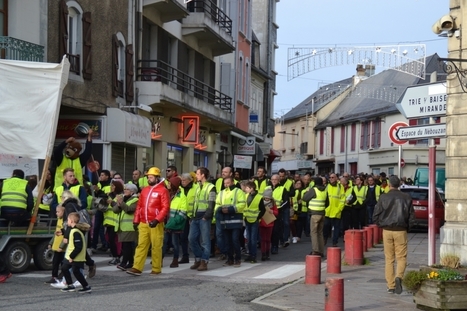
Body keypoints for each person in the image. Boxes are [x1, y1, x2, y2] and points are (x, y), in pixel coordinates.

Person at [373, 175, 414, 295]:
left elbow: (375, 216)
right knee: (401, 257)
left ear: (389, 184)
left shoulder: (383, 197)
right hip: (401, 230)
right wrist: (407, 228)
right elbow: (412, 217)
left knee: (389, 258)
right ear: (399, 185)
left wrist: (382, 224)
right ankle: (399, 277)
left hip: (387, 230)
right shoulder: (406, 197)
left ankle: (390, 286)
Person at [127, 167, 170, 276]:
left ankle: (156, 268)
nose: (148, 179)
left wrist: (157, 220)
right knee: (141, 245)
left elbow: (165, 207)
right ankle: (137, 267)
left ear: (157, 178)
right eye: (148, 177)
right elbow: (139, 206)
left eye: (151, 177)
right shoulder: (145, 190)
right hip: (144, 222)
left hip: (155, 224)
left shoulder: (163, 190)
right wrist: (136, 220)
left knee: (156, 246)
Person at [189, 167, 216, 271]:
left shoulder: (211, 187)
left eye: (197, 174)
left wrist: (207, 216)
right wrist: (192, 215)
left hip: (204, 217)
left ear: (203, 175)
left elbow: (211, 202)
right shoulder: (197, 186)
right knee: (191, 239)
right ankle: (199, 258)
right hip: (195, 217)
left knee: (205, 241)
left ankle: (204, 261)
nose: (196, 175)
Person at [216, 176, 246, 267]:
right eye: (225, 183)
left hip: (235, 219)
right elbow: (217, 204)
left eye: (228, 183)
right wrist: (220, 209)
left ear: (232, 182)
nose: (226, 185)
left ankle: (238, 259)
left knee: (234, 240)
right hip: (225, 220)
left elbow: (242, 204)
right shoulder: (221, 193)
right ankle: (230, 259)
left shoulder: (238, 191)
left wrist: (231, 209)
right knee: (227, 241)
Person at [59, 212, 92, 293]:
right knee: (64, 268)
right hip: (71, 256)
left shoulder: (76, 232)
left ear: (72, 221)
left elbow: (79, 246)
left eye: (68, 220)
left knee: (76, 271)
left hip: (76, 257)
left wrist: (72, 256)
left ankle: (86, 286)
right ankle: (70, 285)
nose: (67, 221)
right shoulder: (73, 230)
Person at [113, 183, 139, 271]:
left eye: (127, 189)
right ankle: (131, 262)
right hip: (122, 226)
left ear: (132, 191)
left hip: (130, 226)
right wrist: (119, 204)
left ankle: (124, 263)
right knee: (126, 245)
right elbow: (115, 210)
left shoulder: (135, 199)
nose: (124, 191)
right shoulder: (123, 198)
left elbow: (129, 210)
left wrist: (121, 203)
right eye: (124, 189)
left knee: (126, 246)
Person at [163, 176, 186, 268]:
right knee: (163, 242)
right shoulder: (166, 194)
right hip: (165, 222)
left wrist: (173, 222)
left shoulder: (181, 196)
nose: (168, 185)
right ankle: (159, 259)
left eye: (170, 183)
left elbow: (183, 212)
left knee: (175, 243)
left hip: (174, 224)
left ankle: (175, 260)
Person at [303, 177, 329, 257]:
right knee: (320, 233)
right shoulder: (325, 190)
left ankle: (315, 250)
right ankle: (321, 251)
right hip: (322, 214)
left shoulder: (314, 190)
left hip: (314, 214)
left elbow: (305, 198)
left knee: (313, 233)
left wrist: (306, 192)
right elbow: (327, 203)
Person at [243, 181, 265, 263]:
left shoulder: (259, 197)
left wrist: (258, 218)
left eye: (247, 188)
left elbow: (263, 209)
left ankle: (253, 256)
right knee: (249, 239)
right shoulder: (246, 196)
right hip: (247, 219)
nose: (245, 189)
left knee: (253, 239)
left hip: (254, 221)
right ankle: (250, 255)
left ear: (252, 188)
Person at [179, 173, 198, 264]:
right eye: (181, 180)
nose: (182, 182)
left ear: (190, 180)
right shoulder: (180, 189)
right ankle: (185, 256)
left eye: (184, 180)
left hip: (193, 217)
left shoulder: (196, 188)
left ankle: (197, 257)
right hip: (183, 216)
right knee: (183, 238)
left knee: (193, 238)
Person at [45, 205, 66, 284]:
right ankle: (54, 277)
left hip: (62, 247)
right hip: (57, 246)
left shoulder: (64, 222)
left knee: (63, 263)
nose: (56, 213)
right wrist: (51, 242)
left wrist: (61, 246)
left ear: (63, 212)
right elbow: (56, 233)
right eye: (56, 211)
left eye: (58, 212)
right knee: (55, 262)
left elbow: (65, 236)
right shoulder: (59, 220)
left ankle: (64, 277)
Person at [323, 173, 345, 247]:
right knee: (326, 226)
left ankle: (334, 242)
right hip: (328, 211)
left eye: (333, 177)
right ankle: (324, 238)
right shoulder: (327, 186)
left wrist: (339, 209)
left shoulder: (340, 186)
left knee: (336, 228)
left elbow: (342, 199)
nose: (331, 178)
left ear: (336, 178)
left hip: (336, 211)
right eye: (330, 177)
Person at [259, 188, 278, 261]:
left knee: (268, 239)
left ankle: (267, 253)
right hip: (262, 223)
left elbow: (276, 212)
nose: (266, 199)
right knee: (263, 239)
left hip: (270, 223)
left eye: (268, 198)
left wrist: (272, 211)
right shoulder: (261, 203)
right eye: (265, 198)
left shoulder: (273, 204)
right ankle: (263, 254)